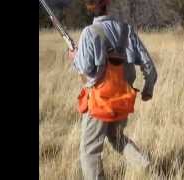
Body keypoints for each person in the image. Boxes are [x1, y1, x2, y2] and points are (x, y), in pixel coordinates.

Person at [67, 0, 158, 179]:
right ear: (108, 4)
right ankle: (145, 166)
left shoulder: (89, 32)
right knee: (116, 138)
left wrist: (74, 57)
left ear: (90, 6)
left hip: (100, 101)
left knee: (89, 151)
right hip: (123, 98)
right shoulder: (126, 30)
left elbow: (86, 71)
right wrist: (148, 88)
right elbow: (149, 65)